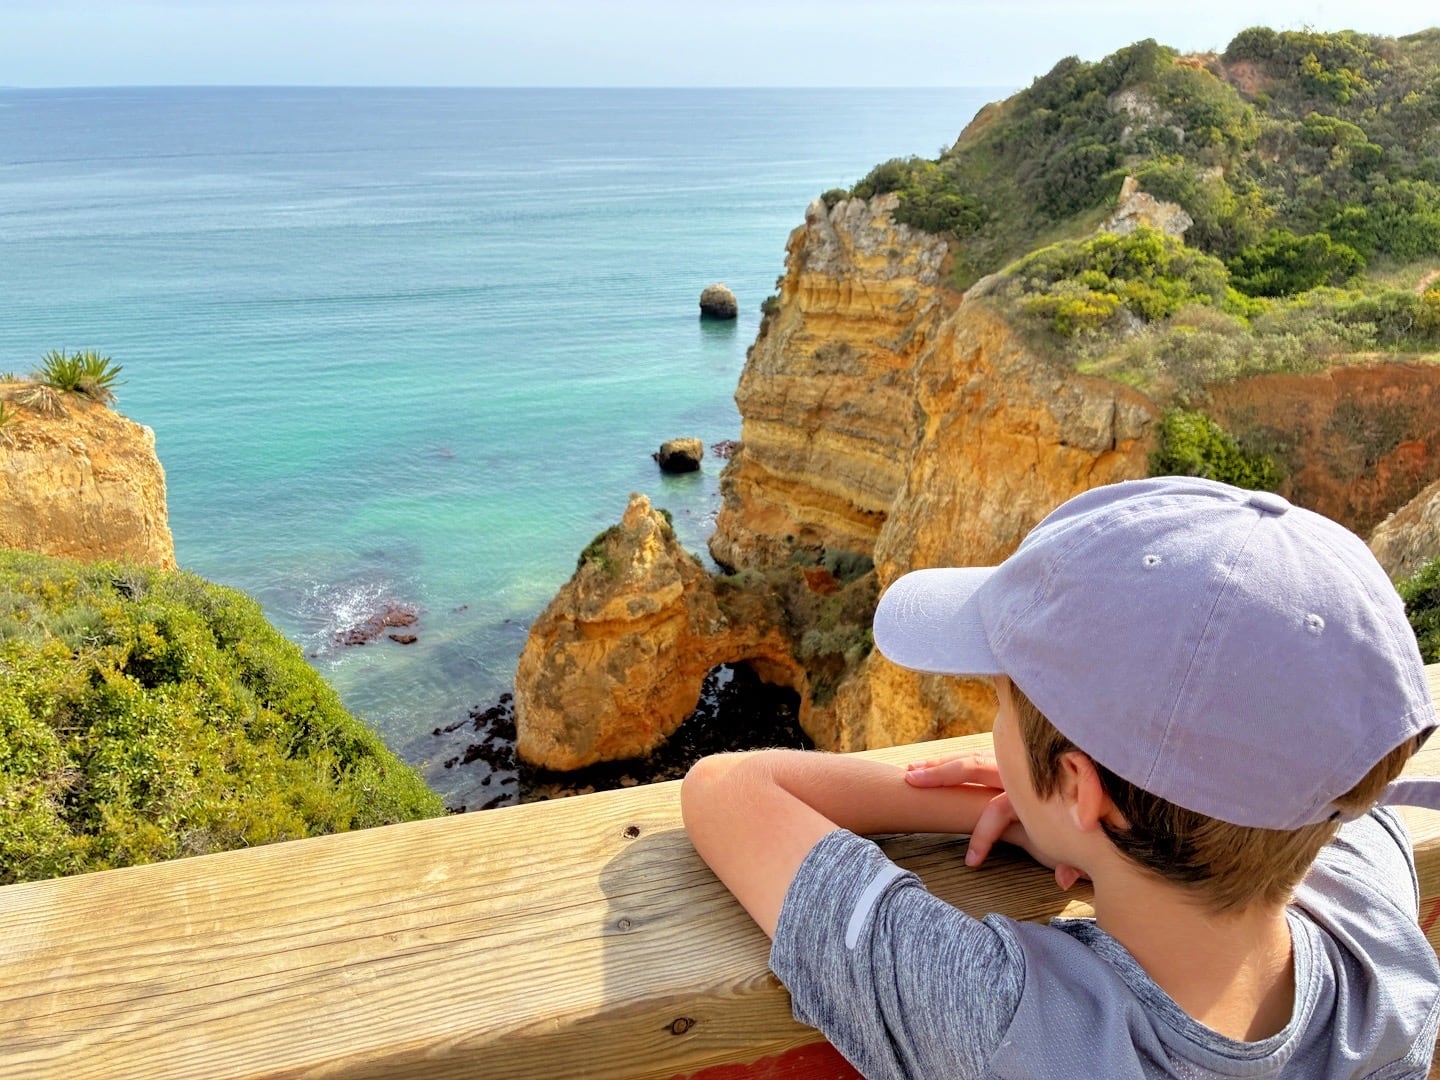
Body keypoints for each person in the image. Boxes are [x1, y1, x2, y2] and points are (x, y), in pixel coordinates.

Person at [681, 476, 1440, 1078]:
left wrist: (1008, 815)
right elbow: (1342, 798)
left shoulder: (1011, 1026)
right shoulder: (1384, 951)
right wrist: (1084, 819)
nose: (993, 729)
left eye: (999, 706)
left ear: (1084, 788)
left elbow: (726, 791)